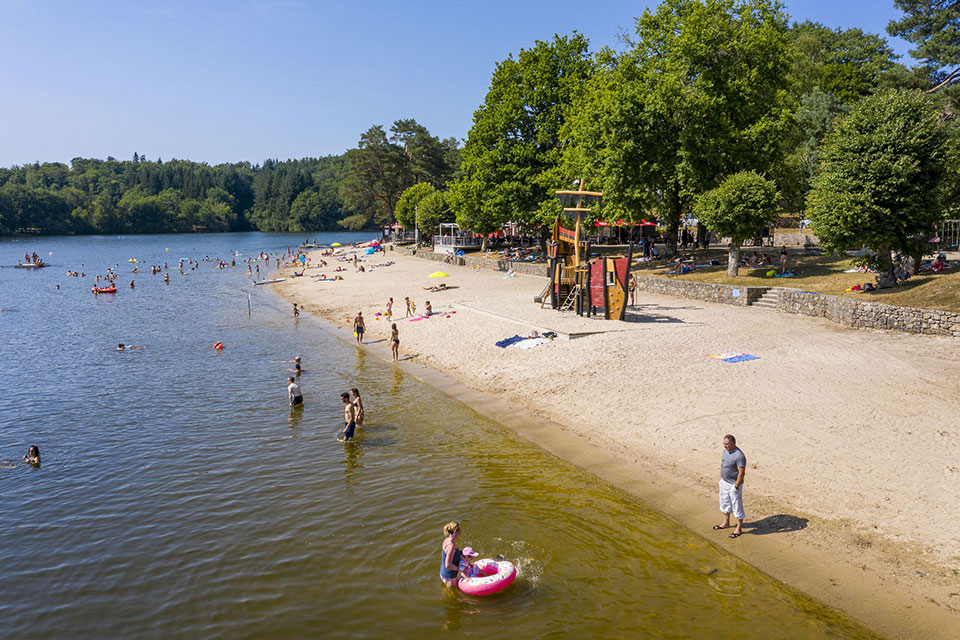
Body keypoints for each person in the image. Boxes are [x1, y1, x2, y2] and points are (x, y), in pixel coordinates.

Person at [714, 434, 746, 538]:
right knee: (724, 502)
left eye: (727, 444)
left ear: (733, 443)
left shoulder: (739, 455)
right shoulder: (725, 451)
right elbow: (722, 464)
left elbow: (741, 472)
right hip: (724, 482)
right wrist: (720, 478)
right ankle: (726, 522)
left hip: (733, 484)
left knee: (737, 506)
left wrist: (736, 486)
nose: (725, 446)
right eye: (724, 444)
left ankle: (739, 528)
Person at [440, 521, 463, 587]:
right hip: (450, 577)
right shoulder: (451, 546)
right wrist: (459, 569)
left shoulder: (446, 540)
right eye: (459, 530)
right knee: (455, 593)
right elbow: (448, 565)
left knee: (449, 591)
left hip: (443, 572)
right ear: (456, 532)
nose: (460, 532)